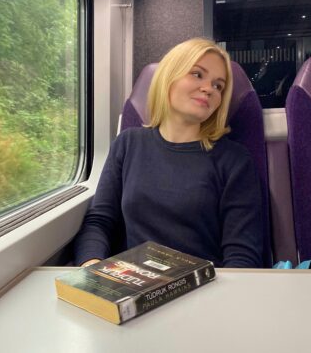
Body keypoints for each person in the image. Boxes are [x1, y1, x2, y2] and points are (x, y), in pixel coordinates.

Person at [74, 37, 264, 268]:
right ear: (168, 78)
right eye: (197, 74)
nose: (209, 89)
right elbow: (99, 221)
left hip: (206, 282)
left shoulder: (235, 160)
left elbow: (242, 254)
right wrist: (92, 266)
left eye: (218, 86)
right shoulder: (127, 144)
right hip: (135, 281)